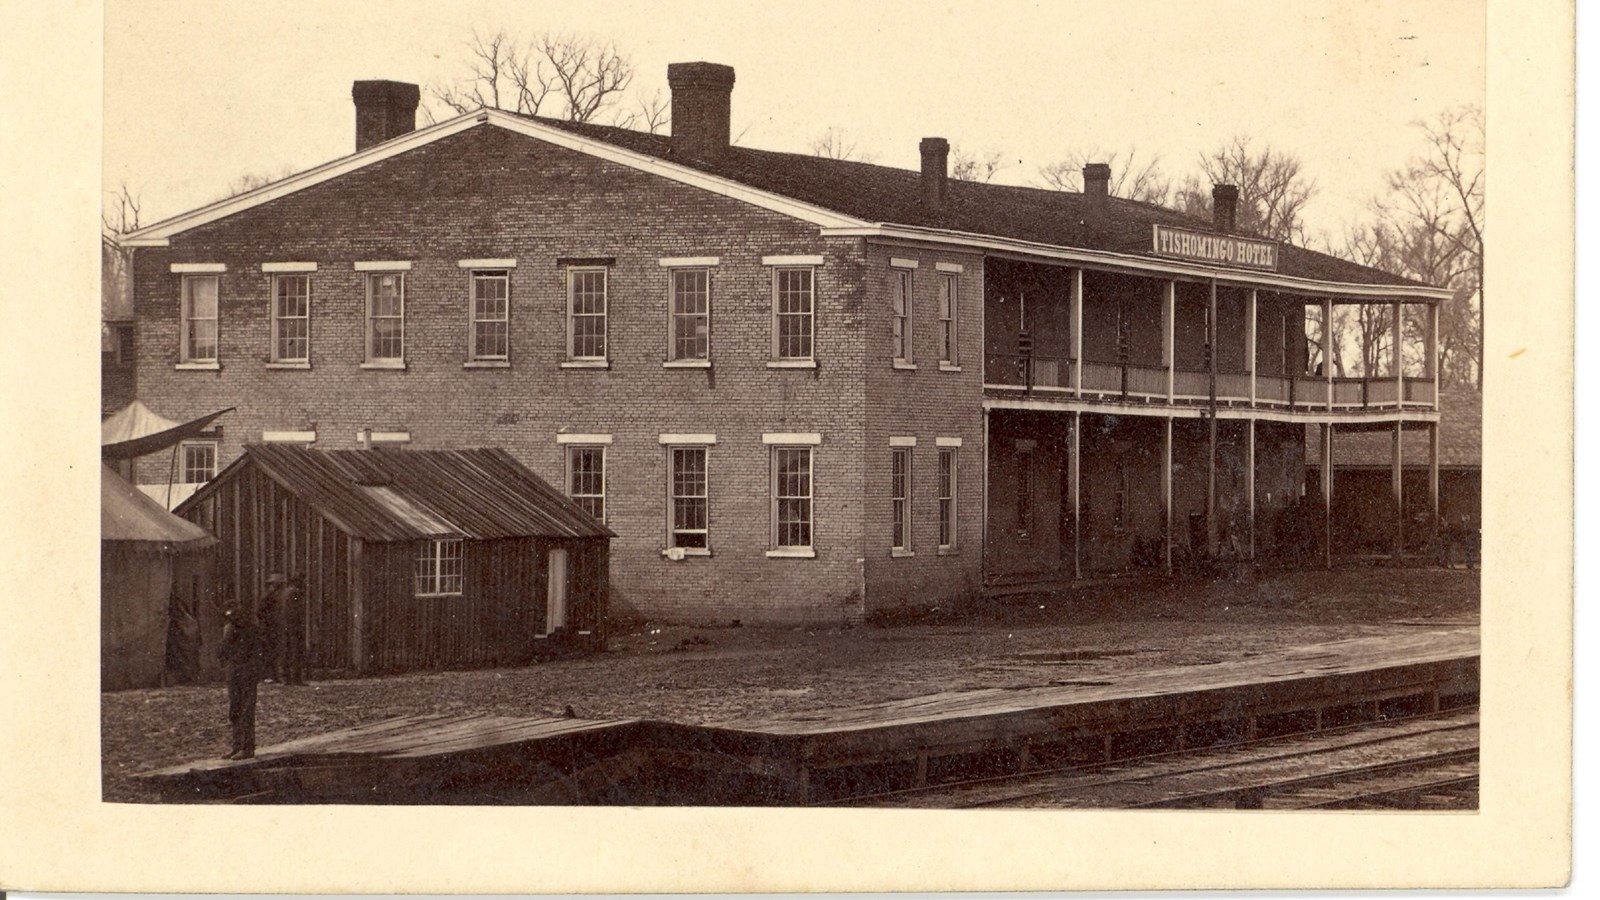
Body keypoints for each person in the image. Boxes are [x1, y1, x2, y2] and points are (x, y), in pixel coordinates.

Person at [217, 602, 262, 760]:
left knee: (245, 709)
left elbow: (255, 651)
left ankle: (247, 747)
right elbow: (222, 650)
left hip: (245, 670)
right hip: (234, 670)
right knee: (235, 709)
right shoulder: (230, 629)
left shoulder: (249, 630)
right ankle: (237, 746)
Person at [274, 574, 307, 685]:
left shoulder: (285, 593)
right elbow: (295, 611)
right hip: (294, 625)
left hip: (284, 625)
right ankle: (296, 678)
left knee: (287, 651)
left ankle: (287, 678)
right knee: (296, 651)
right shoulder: (295, 593)